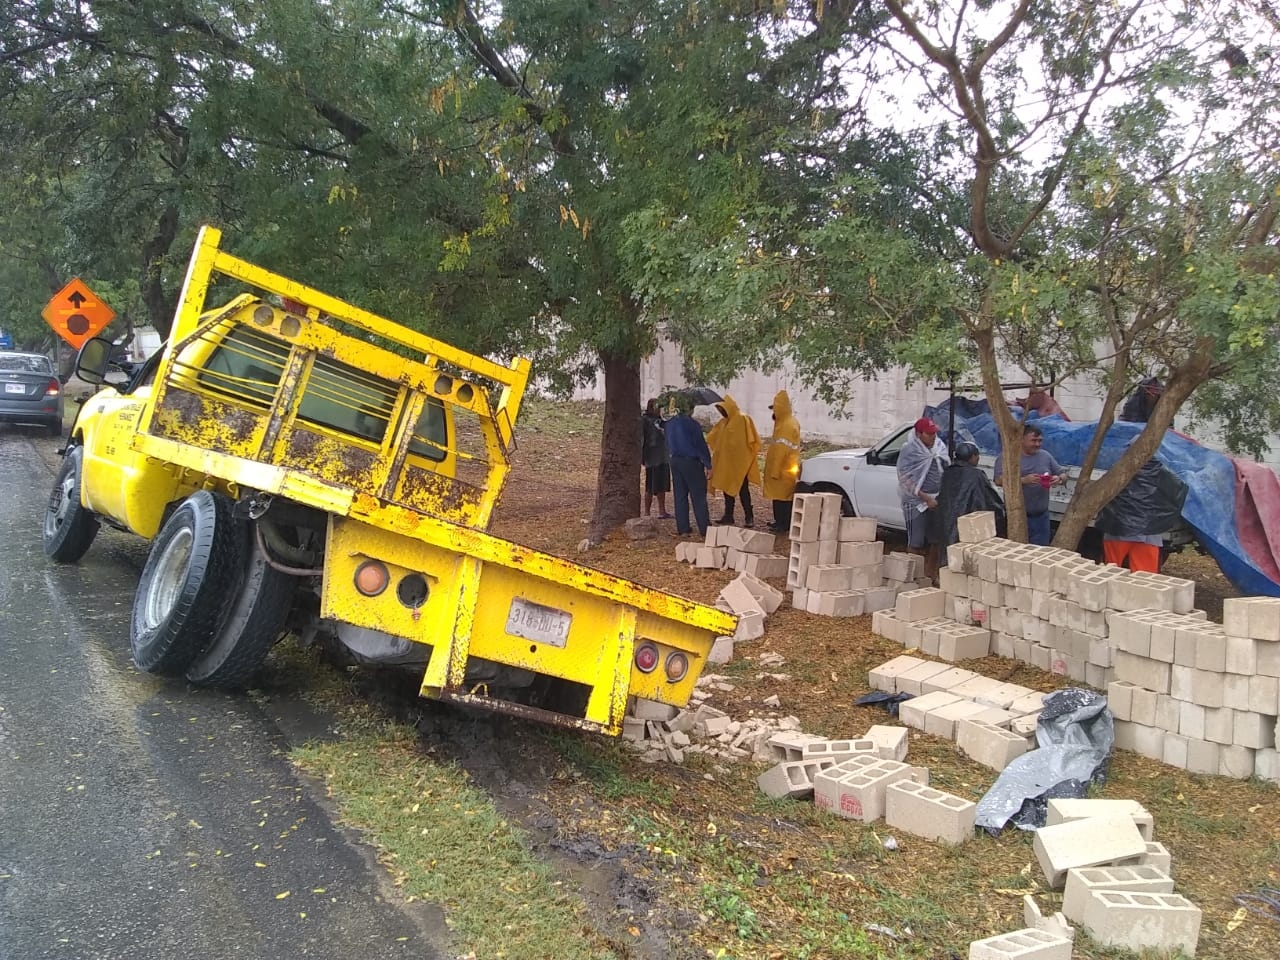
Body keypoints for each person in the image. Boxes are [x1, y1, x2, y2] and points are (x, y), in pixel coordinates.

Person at [1095, 456, 1187, 573]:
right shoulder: (1163, 473)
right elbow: (1179, 492)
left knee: (1110, 571)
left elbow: (1101, 492)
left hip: (1119, 529)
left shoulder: (1118, 470)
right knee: (1145, 577)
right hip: (1149, 533)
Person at [993, 422, 1067, 546]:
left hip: (1041, 517)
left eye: (1040, 441)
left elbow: (1063, 474)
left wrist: (1059, 479)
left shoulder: (1045, 456)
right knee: (1017, 552)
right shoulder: (1007, 457)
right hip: (1017, 516)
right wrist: (1023, 481)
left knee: (1040, 553)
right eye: (1033, 440)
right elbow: (998, 480)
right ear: (1021, 440)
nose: (1037, 444)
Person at [928, 441, 1006, 553]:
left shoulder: (948, 472)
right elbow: (989, 499)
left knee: (948, 553)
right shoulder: (976, 475)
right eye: (977, 456)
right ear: (973, 457)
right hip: (968, 523)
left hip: (946, 521)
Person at [897, 417, 946, 580]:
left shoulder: (939, 446)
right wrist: (924, 498)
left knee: (936, 539)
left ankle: (930, 573)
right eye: (929, 433)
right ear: (919, 434)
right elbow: (904, 478)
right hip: (916, 502)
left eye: (934, 433)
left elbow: (944, 467)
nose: (933, 436)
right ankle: (911, 576)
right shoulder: (909, 450)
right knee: (916, 540)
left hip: (937, 499)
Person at [707, 394, 761, 528]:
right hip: (727, 463)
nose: (721, 413)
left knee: (743, 490)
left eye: (722, 409)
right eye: (719, 410)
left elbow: (751, 440)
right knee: (727, 488)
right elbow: (714, 438)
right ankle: (728, 515)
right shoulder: (724, 422)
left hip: (740, 464)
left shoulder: (743, 419)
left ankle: (749, 517)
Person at [664, 395, 712, 537]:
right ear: (689, 409)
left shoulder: (669, 423)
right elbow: (700, 446)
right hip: (691, 461)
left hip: (675, 460)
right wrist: (708, 464)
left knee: (680, 494)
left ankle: (683, 528)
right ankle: (705, 528)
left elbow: (667, 442)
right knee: (698, 495)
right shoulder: (692, 425)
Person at [762, 390, 802, 534]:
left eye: (775, 409)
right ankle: (779, 521)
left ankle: (783, 524)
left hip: (783, 469)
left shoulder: (786, 425)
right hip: (784, 468)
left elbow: (781, 450)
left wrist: (775, 470)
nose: (773, 413)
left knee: (783, 498)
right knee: (779, 496)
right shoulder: (785, 422)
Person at [641, 399, 671, 519]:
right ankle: (647, 512)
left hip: (663, 456)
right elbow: (642, 439)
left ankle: (662, 511)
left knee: (662, 485)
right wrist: (643, 456)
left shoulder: (661, 421)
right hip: (652, 457)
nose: (659, 410)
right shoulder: (645, 420)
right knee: (650, 486)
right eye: (657, 407)